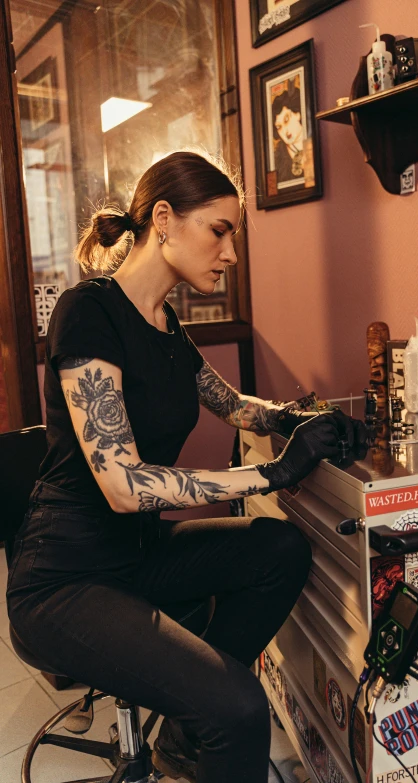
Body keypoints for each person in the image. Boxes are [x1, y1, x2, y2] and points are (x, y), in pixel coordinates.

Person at [7, 150, 366, 783]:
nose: (230, 253)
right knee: (240, 706)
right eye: (220, 230)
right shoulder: (88, 312)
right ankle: (214, 716)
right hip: (65, 578)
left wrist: (301, 419)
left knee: (279, 548)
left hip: (137, 552)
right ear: (165, 219)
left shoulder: (166, 324)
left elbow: (235, 407)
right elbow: (123, 485)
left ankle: (184, 737)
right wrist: (276, 473)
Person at [271, 85, 305, 183]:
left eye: (286, 119)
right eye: (279, 126)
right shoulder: (277, 159)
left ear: (297, 113)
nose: (285, 130)